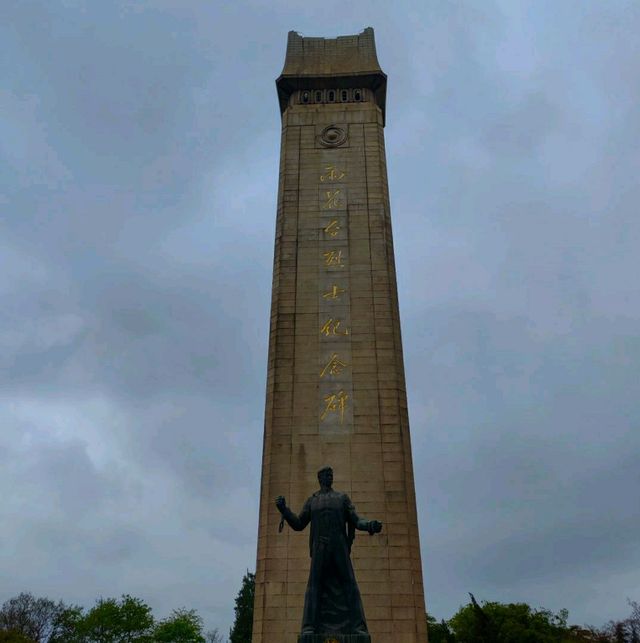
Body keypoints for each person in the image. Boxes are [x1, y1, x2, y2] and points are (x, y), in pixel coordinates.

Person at [275, 466, 383, 638]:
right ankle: (309, 627)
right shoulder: (313, 500)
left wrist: (370, 525)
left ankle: (358, 627)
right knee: (314, 586)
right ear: (320, 478)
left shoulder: (341, 498)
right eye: (326, 475)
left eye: (331, 474)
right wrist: (284, 510)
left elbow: (356, 520)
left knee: (350, 585)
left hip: (339, 546)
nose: (329, 477)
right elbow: (299, 524)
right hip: (320, 548)